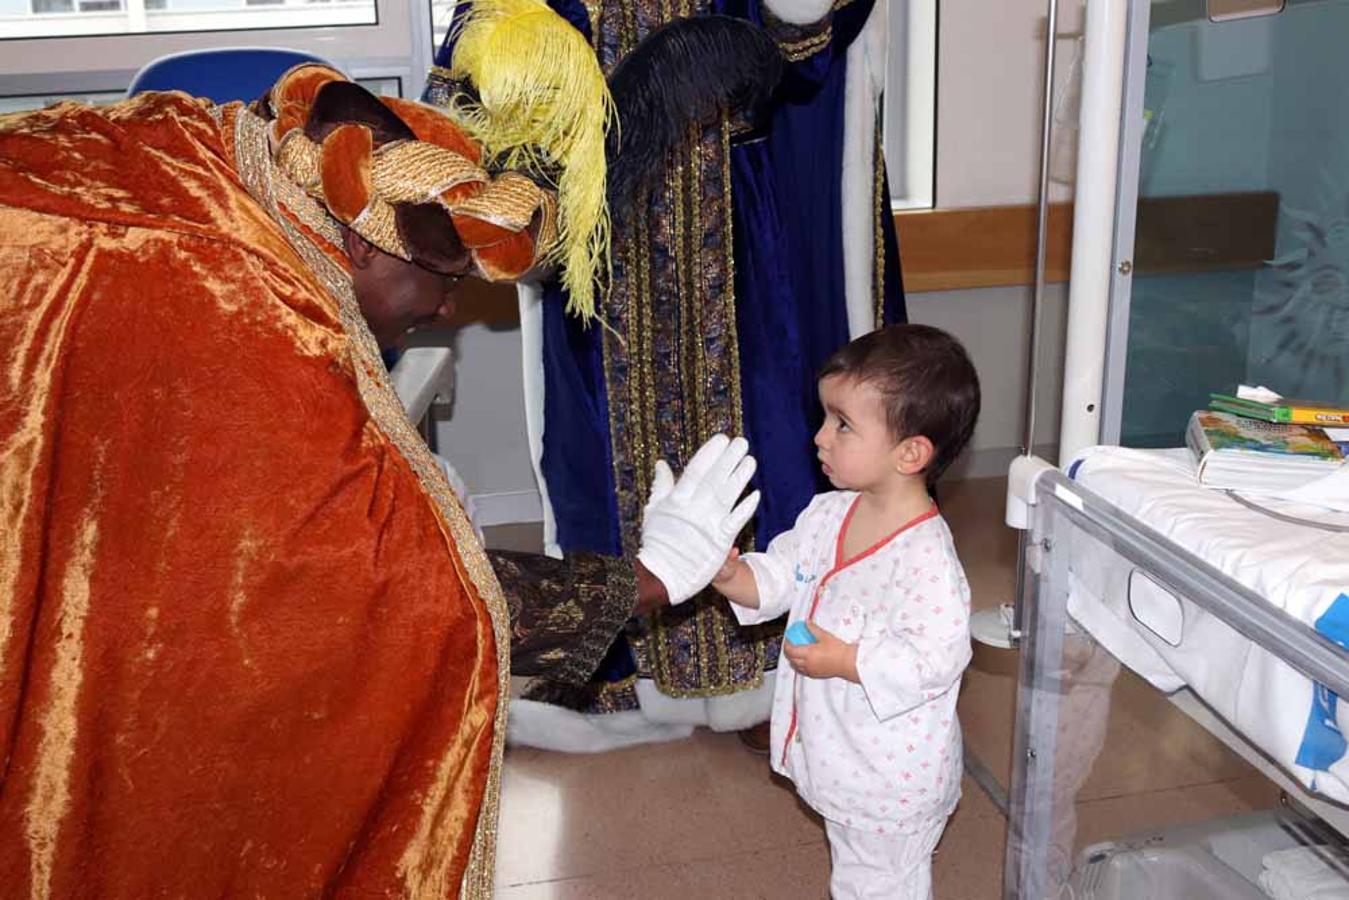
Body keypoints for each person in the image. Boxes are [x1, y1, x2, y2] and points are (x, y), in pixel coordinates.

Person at [0, 61, 754, 896]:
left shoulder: (202, 153)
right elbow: (379, 594)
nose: (443, 314)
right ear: (361, 238)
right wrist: (648, 579)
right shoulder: (244, 317)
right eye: (446, 282)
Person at [430, 0, 910, 753]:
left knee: (772, 434)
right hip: (597, 210)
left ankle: (774, 669)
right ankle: (618, 673)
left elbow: (809, 42)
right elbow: (483, 40)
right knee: (594, 443)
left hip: (743, 205)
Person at [710, 324, 981, 900]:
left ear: (910, 453)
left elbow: (939, 657)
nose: (819, 438)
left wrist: (848, 659)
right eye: (825, 418)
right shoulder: (828, 513)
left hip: (890, 778)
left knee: (882, 884)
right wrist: (733, 575)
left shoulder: (926, 558)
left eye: (843, 425)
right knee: (861, 872)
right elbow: (784, 575)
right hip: (843, 755)